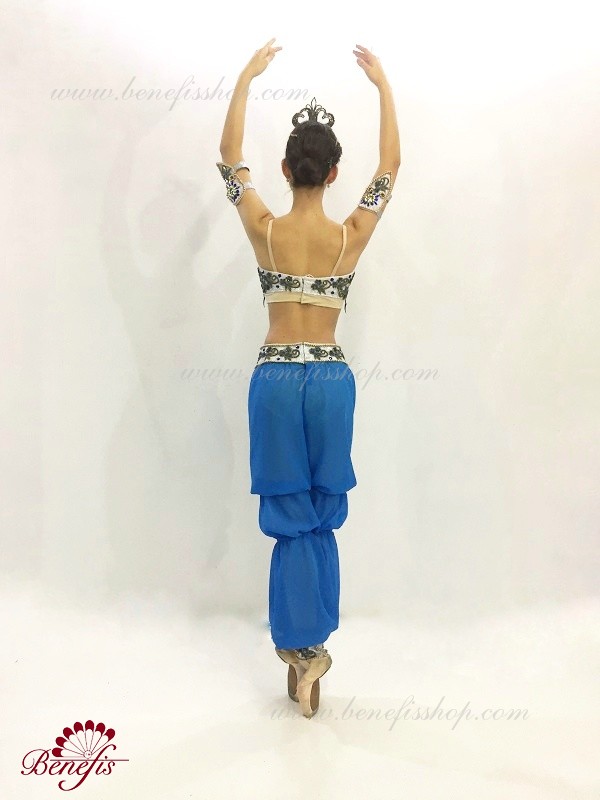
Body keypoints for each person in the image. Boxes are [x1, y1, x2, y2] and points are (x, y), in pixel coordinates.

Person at [217, 40, 401, 718]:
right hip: (328, 380)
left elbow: (228, 158)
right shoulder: (350, 236)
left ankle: (300, 650)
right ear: (333, 173)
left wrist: (246, 76)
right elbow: (391, 166)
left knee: (290, 511)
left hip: (274, 380)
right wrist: (383, 87)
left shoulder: (264, 230)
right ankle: (313, 648)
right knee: (322, 507)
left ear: (287, 170)